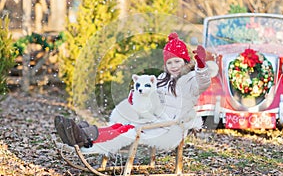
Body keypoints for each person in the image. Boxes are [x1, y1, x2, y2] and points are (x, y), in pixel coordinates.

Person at [55, 32, 211, 154]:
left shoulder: (190, 81)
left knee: (126, 132)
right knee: (119, 126)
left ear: (185, 61)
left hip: (169, 128)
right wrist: (137, 97)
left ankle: (88, 143)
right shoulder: (163, 78)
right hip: (154, 121)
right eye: (169, 62)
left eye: (177, 61)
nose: (173, 66)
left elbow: (203, 83)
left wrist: (202, 66)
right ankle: (83, 133)